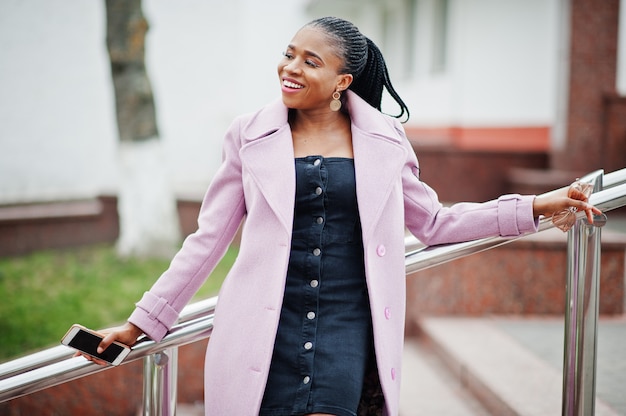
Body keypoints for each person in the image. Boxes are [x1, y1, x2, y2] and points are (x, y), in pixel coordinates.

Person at [82, 16, 600, 416]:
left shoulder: (384, 141)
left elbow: (435, 223)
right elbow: (207, 240)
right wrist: (141, 323)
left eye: (310, 61)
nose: (290, 68)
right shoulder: (248, 135)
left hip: (346, 327)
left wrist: (533, 207)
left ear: (341, 81)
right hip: (263, 326)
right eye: (288, 55)